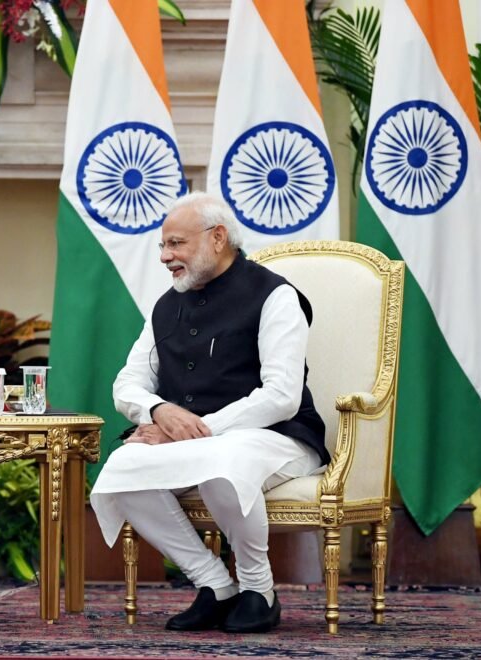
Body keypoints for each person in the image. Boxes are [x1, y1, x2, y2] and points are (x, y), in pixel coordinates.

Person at [89, 191, 330, 633]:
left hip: (280, 436)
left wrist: (194, 430)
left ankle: (259, 590)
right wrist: (159, 410)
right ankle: (215, 584)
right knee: (123, 468)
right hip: (202, 442)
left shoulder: (275, 296)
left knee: (224, 461)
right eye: (162, 246)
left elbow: (281, 396)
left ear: (217, 238)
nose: (165, 256)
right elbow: (126, 385)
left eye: (176, 244)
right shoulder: (166, 306)